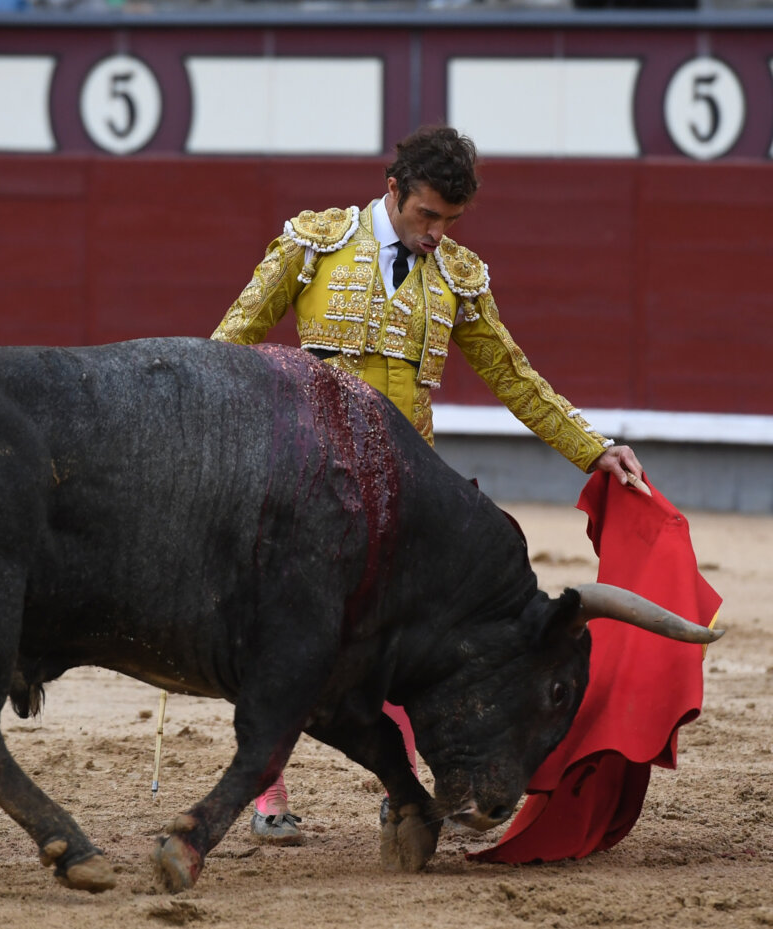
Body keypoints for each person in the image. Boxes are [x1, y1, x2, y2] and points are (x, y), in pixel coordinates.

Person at [210, 124, 644, 845]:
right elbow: (230, 346)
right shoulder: (314, 244)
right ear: (394, 190)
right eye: (427, 215)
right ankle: (269, 788)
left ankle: (400, 789)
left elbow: (513, 375)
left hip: (405, 493)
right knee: (283, 630)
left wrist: (592, 449)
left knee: (404, 641)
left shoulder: (459, 276)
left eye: (451, 220)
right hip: (307, 480)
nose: (438, 233)